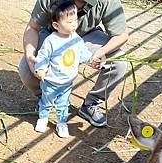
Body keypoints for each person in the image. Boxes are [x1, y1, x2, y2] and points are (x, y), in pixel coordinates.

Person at [20, 0, 129, 128]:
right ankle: (47, 97)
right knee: (27, 68)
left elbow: (121, 35)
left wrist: (102, 52)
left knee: (118, 61)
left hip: (85, 35)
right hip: (52, 35)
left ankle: (91, 104)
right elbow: (33, 27)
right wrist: (30, 54)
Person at [34, 1, 96, 138]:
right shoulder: (51, 41)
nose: (74, 24)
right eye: (69, 22)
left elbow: (84, 54)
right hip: (50, 81)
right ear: (56, 25)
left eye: (75, 20)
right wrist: (41, 69)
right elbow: (43, 56)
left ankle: (61, 123)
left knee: (63, 105)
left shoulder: (77, 40)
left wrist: (93, 61)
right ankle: (43, 118)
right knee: (46, 102)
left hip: (67, 82)